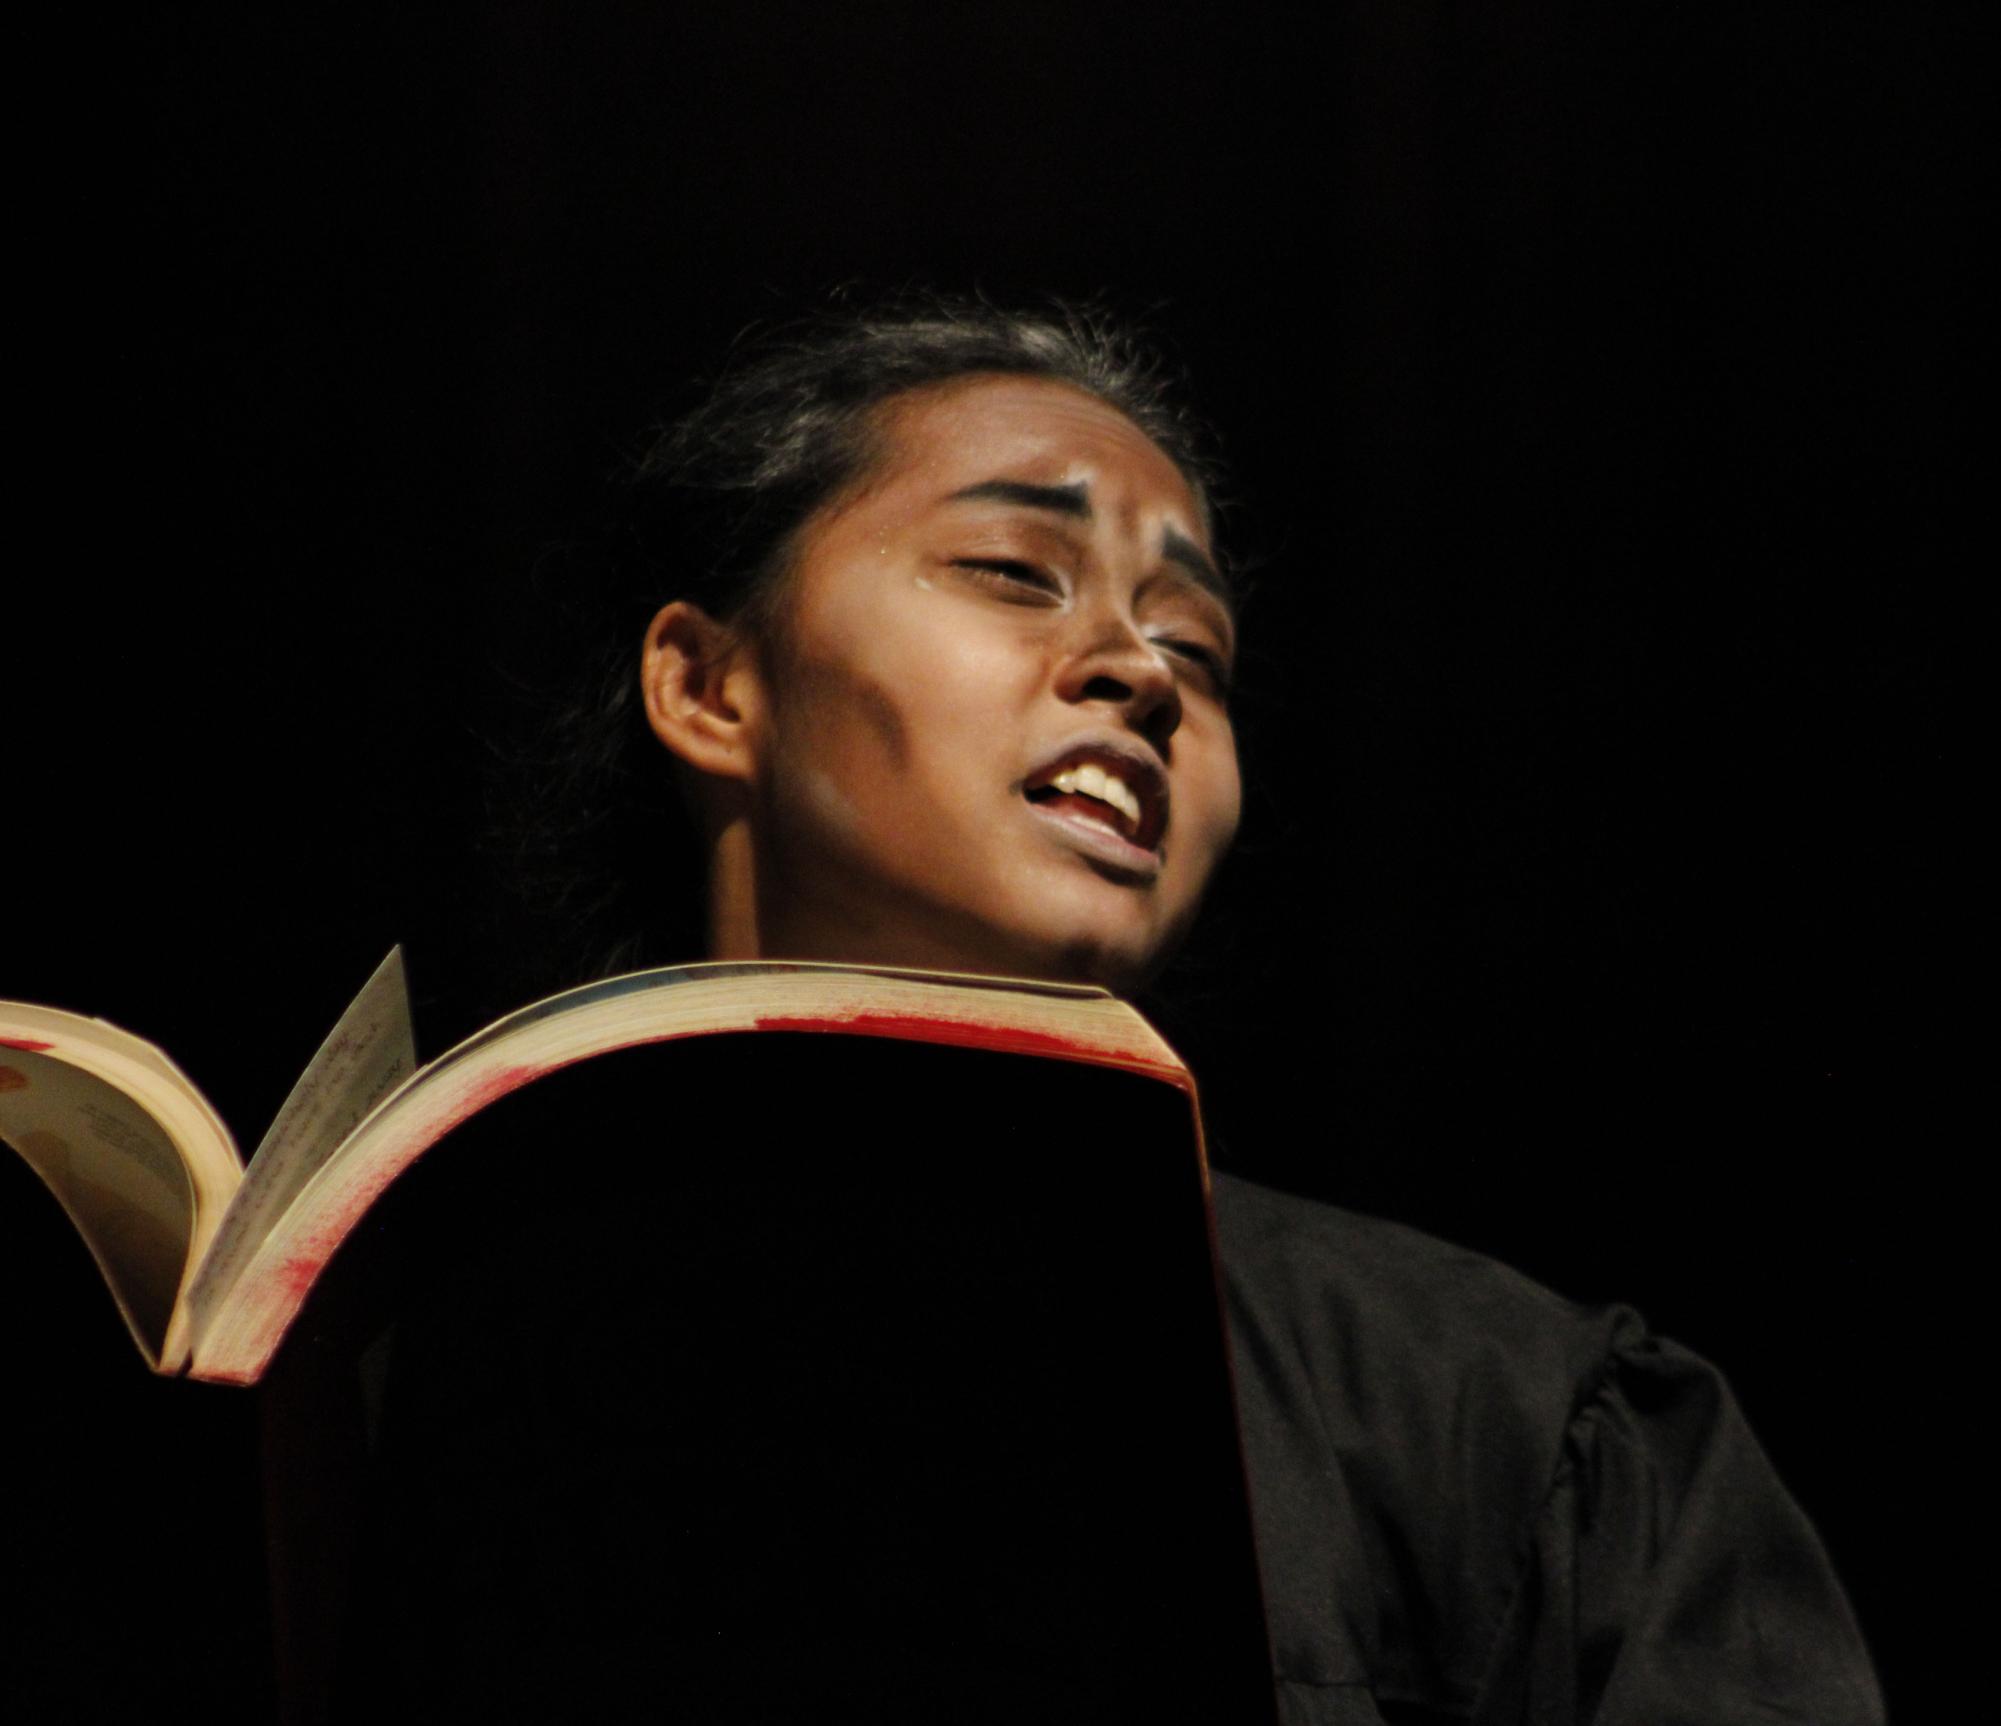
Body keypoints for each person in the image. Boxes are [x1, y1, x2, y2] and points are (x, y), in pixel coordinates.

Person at [355, 296, 1883, 1724]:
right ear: (707, 686)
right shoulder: (407, 1355)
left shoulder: (1507, 1417)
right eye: (1016, 573)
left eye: (1195, 651)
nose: (1137, 671)